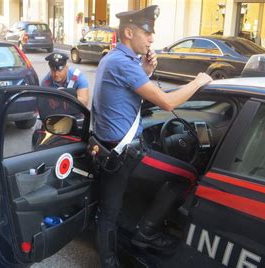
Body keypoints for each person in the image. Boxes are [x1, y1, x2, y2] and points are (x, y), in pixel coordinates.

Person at [91, 5, 212, 268]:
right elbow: (168, 103)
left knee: (109, 213)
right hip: (126, 155)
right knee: (187, 176)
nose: (152, 38)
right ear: (128, 32)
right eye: (147, 33)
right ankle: (145, 234)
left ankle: (110, 260)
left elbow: (127, 94)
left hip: (111, 151)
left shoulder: (113, 60)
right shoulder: (122, 63)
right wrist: (198, 82)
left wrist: (145, 70)